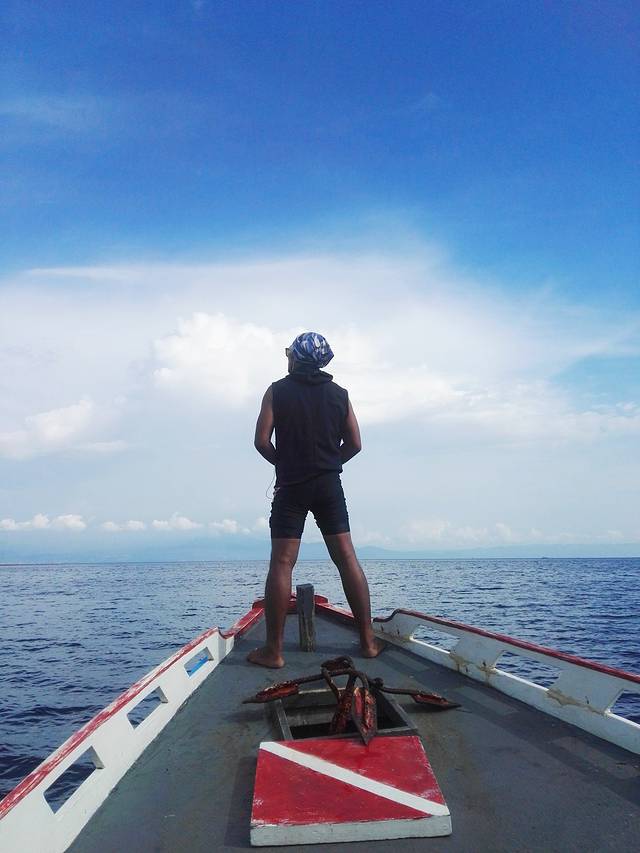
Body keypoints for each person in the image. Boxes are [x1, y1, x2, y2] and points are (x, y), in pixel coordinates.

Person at [248, 331, 384, 668]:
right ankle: (368, 643)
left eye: (288, 353)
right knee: (346, 558)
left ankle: (274, 652)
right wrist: (329, 464)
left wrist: (286, 465)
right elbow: (355, 444)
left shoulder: (276, 391)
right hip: (328, 486)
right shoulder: (340, 394)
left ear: (295, 357)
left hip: (291, 486)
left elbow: (262, 441)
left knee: (282, 563)